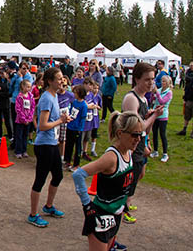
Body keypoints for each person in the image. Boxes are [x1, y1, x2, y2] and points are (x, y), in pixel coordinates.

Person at [72, 111, 142, 251]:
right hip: (100, 215)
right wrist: (87, 206)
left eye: (140, 134)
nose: (138, 139)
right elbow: (78, 175)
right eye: (135, 135)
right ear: (121, 133)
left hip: (115, 216)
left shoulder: (128, 152)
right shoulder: (111, 158)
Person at [120, 62, 165, 224]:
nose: (151, 83)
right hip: (130, 145)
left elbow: (144, 127)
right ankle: (123, 207)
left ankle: (127, 201)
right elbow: (135, 128)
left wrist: (147, 141)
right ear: (137, 79)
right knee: (130, 177)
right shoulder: (132, 99)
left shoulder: (143, 98)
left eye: (152, 79)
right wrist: (154, 116)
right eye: (147, 79)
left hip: (139, 143)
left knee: (139, 173)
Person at [28, 67, 72, 228]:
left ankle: (48, 206)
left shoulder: (54, 96)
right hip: (44, 144)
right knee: (40, 179)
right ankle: (33, 215)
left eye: (62, 79)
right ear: (50, 81)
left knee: (58, 176)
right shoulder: (46, 98)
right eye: (59, 79)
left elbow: (53, 120)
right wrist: (60, 121)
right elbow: (43, 125)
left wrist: (63, 119)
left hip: (52, 143)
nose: (62, 81)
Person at [64, 85, 88, 171]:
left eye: (75, 92)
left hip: (77, 129)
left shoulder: (84, 105)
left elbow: (83, 117)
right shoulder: (74, 102)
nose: (74, 94)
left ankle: (76, 164)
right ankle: (67, 161)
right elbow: (70, 112)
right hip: (70, 126)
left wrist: (80, 129)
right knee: (68, 145)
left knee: (77, 147)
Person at [151, 75, 172, 162]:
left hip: (163, 116)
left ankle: (165, 154)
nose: (162, 83)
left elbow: (162, 101)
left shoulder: (169, 92)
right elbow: (154, 100)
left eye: (164, 81)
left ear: (167, 83)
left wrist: (157, 93)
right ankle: (155, 151)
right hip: (156, 114)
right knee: (154, 133)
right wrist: (153, 93)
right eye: (161, 81)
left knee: (162, 134)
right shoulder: (159, 90)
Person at [15, 79, 35, 159]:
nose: (29, 88)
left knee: (25, 135)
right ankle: (18, 151)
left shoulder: (31, 96)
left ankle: (24, 150)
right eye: (27, 87)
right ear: (23, 87)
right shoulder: (19, 97)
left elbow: (33, 107)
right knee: (19, 136)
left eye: (30, 87)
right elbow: (18, 109)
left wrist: (29, 118)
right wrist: (23, 119)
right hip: (20, 121)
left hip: (28, 120)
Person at [0, 67, 12, 146]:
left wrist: (0, 93)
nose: (1, 75)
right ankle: (0, 137)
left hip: (5, 104)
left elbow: (9, 93)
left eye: (3, 73)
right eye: (0, 73)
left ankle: (11, 137)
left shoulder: (9, 82)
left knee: (7, 121)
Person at [176, 61, 193, 136]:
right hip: (188, 97)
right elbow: (187, 88)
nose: (191, 67)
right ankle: (184, 129)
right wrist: (185, 98)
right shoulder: (188, 73)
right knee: (186, 115)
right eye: (191, 66)